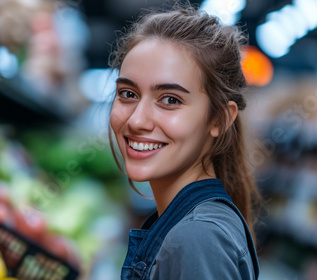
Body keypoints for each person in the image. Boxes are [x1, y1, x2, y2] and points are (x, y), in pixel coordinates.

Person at [108, 3, 261, 280]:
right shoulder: (189, 226)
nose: (136, 121)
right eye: (128, 94)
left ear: (219, 120)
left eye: (170, 99)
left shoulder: (197, 237)